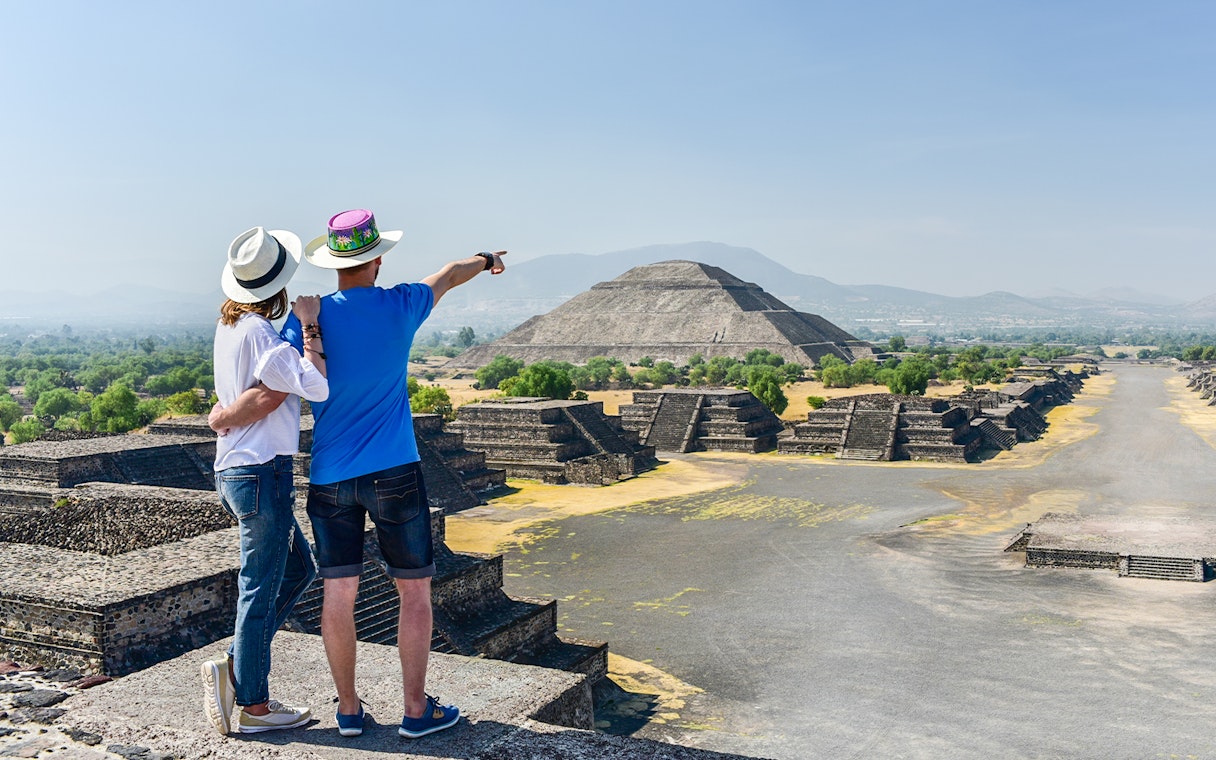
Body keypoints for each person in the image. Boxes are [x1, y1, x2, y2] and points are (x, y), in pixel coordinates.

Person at [214, 209, 505, 739]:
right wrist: (487, 260)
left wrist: (223, 416)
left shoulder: (308, 317)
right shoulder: (402, 304)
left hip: (329, 477)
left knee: (337, 595)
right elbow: (449, 273)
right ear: (375, 258)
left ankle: (348, 710)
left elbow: (267, 376)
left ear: (333, 262)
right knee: (414, 594)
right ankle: (416, 711)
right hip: (395, 470)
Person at [200, 226, 329, 736]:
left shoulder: (227, 329)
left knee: (299, 569)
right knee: (258, 588)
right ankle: (253, 704)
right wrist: (311, 327)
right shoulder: (261, 335)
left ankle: (236, 664)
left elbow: (255, 399)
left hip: (236, 469)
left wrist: (229, 413)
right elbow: (315, 387)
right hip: (262, 471)